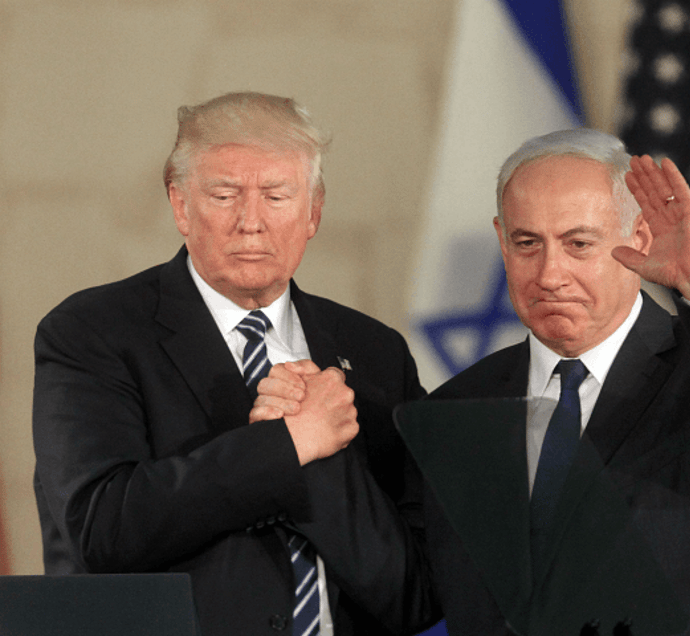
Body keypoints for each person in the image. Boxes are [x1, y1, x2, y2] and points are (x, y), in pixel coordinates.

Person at [393, 129, 690, 635]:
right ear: (501, 240)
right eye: (527, 243)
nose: (550, 273)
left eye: (579, 244)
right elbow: (408, 590)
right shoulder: (458, 408)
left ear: (639, 237)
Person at [32, 92, 435, 636]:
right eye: (224, 195)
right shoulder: (93, 331)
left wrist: (319, 454)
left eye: (276, 195)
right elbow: (99, 535)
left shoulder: (374, 352)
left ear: (313, 210)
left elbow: (415, 595)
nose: (251, 222)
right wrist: (283, 445)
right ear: (180, 205)